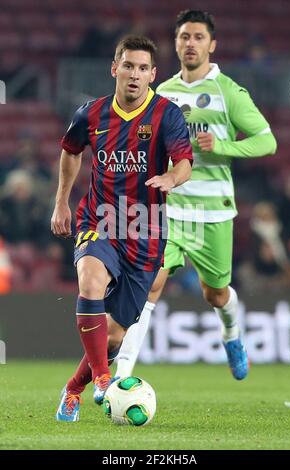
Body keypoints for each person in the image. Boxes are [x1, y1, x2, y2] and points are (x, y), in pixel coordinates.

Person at [115, 10, 277, 380]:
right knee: (150, 286)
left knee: (215, 294)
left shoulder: (229, 92)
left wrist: (223, 147)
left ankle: (232, 333)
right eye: (184, 37)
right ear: (175, 43)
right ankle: (120, 376)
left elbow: (267, 141)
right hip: (169, 210)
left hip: (212, 214)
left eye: (199, 37)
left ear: (212, 45)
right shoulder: (164, 93)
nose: (191, 43)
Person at [51, 35, 193, 422]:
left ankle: (74, 388)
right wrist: (62, 200)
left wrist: (171, 179)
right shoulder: (91, 114)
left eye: (143, 68)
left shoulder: (167, 114)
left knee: (114, 335)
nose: (135, 74)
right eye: (128, 66)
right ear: (115, 68)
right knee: (90, 280)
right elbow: (70, 150)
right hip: (100, 218)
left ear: (152, 75)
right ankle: (102, 379)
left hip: (146, 230)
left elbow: (184, 161)